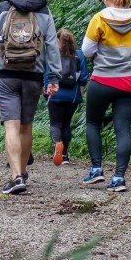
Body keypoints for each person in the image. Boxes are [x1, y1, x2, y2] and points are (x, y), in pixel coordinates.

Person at [0, 0, 60, 194]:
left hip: (5, 75)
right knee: (26, 125)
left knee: (11, 125)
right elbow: (52, 44)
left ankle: (15, 177)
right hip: (33, 74)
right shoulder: (43, 11)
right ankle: (22, 172)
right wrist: (53, 77)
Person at [81, 0, 131, 192]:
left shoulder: (99, 19)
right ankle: (119, 177)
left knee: (93, 123)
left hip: (102, 80)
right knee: (123, 129)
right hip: (129, 83)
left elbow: (86, 51)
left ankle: (96, 169)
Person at [43, 29, 88, 166]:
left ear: (58, 41)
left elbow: (46, 74)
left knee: (55, 123)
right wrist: (79, 94)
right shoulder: (79, 55)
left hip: (55, 94)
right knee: (66, 124)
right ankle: (65, 155)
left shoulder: (52, 54)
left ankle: (57, 144)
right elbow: (84, 77)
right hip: (72, 96)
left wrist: (46, 91)